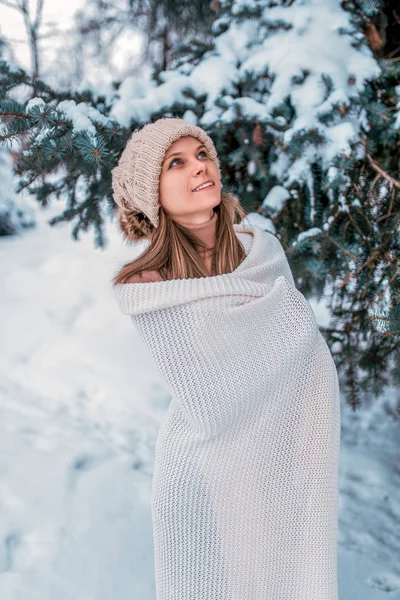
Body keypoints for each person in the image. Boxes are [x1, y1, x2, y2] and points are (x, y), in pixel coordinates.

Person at [111, 117, 341, 600]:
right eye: (177, 162)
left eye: (203, 155)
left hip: (287, 462)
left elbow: (304, 352)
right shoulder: (151, 288)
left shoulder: (263, 253)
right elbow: (210, 391)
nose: (200, 167)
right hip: (205, 471)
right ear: (151, 193)